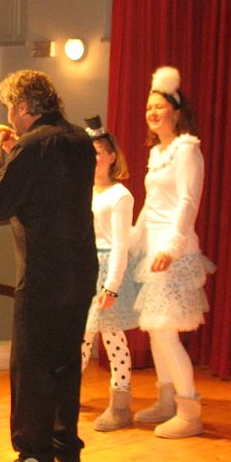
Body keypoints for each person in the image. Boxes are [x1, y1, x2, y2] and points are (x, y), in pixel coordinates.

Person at [0, 69, 97, 462]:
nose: (9, 115)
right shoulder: (80, 141)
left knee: (32, 366)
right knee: (66, 363)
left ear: (25, 107)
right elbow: (49, 186)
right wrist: (17, 152)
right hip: (81, 271)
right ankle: (67, 452)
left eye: (11, 107)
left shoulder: (31, 146)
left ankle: (33, 459)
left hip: (44, 274)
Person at [130, 67, 214, 439]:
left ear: (176, 112)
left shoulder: (186, 150)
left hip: (173, 253)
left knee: (165, 332)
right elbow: (151, 205)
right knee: (154, 329)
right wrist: (133, 240)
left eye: (159, 106)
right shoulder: (157, 152)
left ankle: (189, 411)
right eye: (149, 107)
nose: (152, 112)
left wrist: (171, 246)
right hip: (153, 251)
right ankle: (166, 401)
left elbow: (187, 203)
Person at [80, 117, 139, 432]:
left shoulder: (120, 196)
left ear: (112, 156)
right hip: (85, 266)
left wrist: (112, 285)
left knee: (113, 337)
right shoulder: (84, 190)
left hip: (106, 270)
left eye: (99, 153)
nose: (94, 159)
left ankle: (120, 403)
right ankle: (68, 392)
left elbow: (120, 243)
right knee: (80, 336)